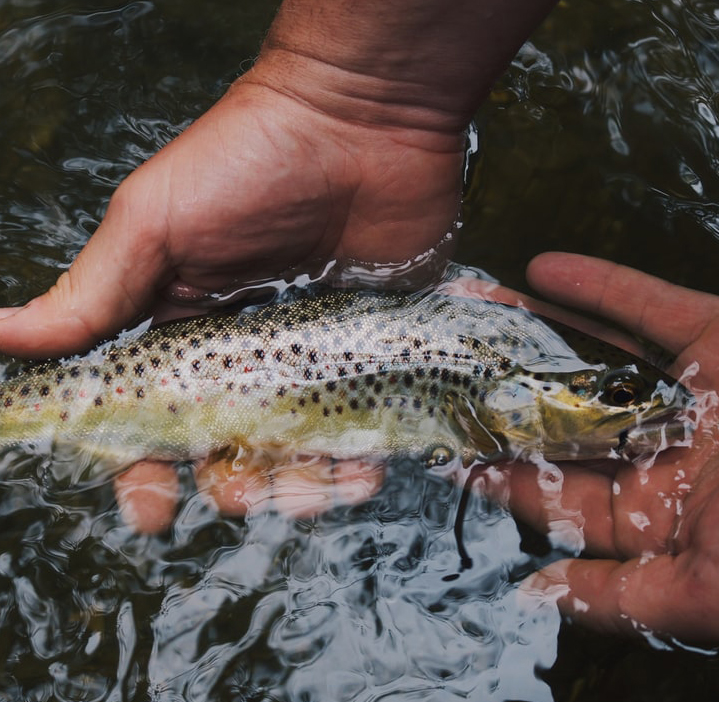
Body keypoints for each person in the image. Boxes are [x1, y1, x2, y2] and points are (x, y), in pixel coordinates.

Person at [1, 0, 717, 647]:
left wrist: (344, 90)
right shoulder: (490, 372)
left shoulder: (489, 366)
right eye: (618, 396)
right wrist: (339, 97)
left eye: (621, 398)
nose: (649, 409)